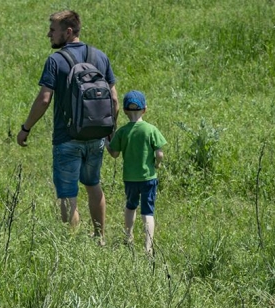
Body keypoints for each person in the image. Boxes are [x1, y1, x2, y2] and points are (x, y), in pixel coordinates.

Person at [17, 10, 118, 245]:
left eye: (53, 30)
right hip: (96, 136)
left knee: (67, 194)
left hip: (67, 139)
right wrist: (110, 132)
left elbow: (44, 99)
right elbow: (114, 99)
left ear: (68, 31)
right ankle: (100, 238)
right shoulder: (100, 57)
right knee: (93, 185)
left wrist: (26, 128)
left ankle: (71, 245)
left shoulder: (56, 61)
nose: (48, 34)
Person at [106, 90, 167, 255]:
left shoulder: (122, 132)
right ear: (145, 109)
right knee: (148, 212)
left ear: (125, 111)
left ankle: (129, 237)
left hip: (130, 178)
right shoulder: (151, 130)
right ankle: (148, 247)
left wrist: (107, 142)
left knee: (130, 206)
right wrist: (157, 164)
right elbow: (160, 154)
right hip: (148, 178)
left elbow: (115, 154)